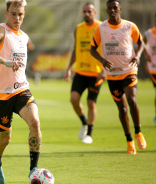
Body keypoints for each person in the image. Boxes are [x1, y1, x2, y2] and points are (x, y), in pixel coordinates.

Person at [0, 0, 41, 183]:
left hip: (21, 90)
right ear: (6, 13)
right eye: (13, 14)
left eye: (20, 14)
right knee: (4, 139)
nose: (17, 17)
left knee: (35, 123)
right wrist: (5, 62)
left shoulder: (25, 37)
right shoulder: (0, 30)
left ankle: (33, 171)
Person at [90, 0, 147, 154]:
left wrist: (139, 56)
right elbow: (92, 49)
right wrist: (102, 60)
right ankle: (129, 141)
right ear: (107, 10)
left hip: (129, 70)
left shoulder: (129, 26)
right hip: (112, 75)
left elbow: (141, 43)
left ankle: (138, 132)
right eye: (110, 8)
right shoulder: (101, 28)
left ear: (120, 9)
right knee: (122, 108)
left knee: (132, 99)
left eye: (115, 8)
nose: (112, 10)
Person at [64, 3, 105, 144]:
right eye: (84, 11)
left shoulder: (101, 28)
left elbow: (107, 50)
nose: (86, 14)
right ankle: (84, 122)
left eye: (89, 11)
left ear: (95, 12)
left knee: (90, 102)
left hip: (96, 73)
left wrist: (105, 70)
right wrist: (69, 68)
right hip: (80, 71)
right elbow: (76, 49)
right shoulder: (78, 29)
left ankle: (90, 134)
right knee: (73, 99)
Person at [143, 12, 156, 128]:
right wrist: (146, 56)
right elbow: (142, 44)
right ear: (154, 21)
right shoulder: (149, 33)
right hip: (154, 67)